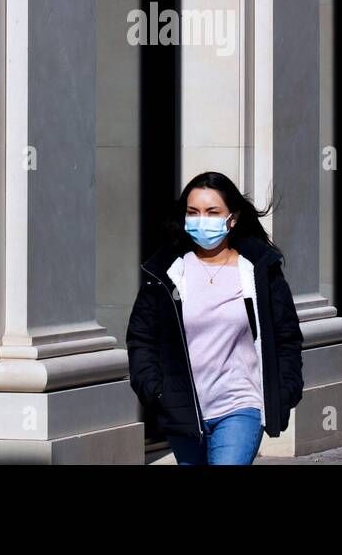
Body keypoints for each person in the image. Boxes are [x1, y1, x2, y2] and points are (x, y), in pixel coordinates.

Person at [126, 171, 304, 465]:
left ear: (231, 219)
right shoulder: (167, 273)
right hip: (184, 411)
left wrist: (283, 392)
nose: (201, 220)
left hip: (241, 405)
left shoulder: (257, 270)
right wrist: (157, 393)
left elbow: (286, 336)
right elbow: (141, 337)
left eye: (212, 212)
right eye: (193, 212)